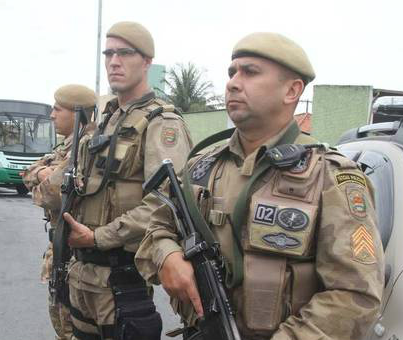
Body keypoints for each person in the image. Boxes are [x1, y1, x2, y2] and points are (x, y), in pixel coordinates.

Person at [135, 32, 385, 340]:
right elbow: (156, 227)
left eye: (250, 72)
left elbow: (356, 295)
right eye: (232, 72)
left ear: (292, 91)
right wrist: (167, 255)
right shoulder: (202, 165)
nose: (233, 83)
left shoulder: (331, 176)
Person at [60, 21, 193, 340]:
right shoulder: (106, 122)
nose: (113, 61)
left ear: (146, 61)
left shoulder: (162, 123)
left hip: (122, 278)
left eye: (124, 53)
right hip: (83, 274)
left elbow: (167, 205)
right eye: (108, 54)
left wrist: (99, 237)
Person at [23, 84, 98, 340]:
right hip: (60, 247)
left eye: (57, 109)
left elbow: (52, 194)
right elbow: (28, 173)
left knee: (70, 327)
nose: (52, 115)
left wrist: (46, 177)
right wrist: (45, 174)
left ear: (78, 114)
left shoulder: (85, 147)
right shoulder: (66, 147)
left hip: (73, 250)